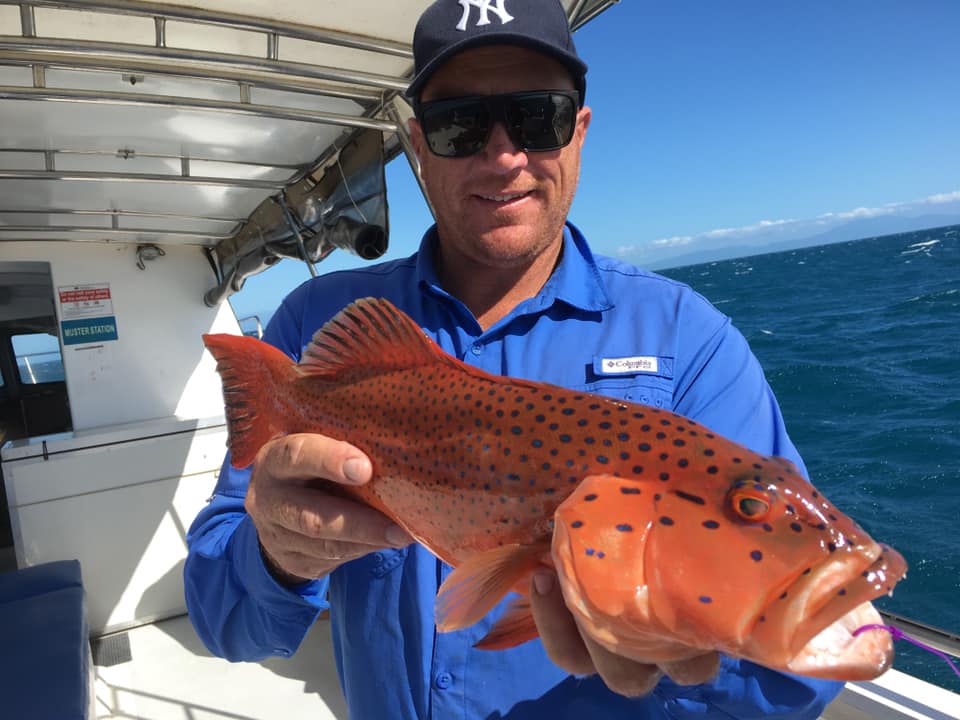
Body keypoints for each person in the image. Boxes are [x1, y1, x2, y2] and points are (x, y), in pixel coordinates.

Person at [185, 0, 843, 717]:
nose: (503, 156)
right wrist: (278, 555)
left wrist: (679, 655)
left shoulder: (691, 341)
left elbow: (798, 674)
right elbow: (226, 625)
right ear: (416, 148)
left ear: (579, 133)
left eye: (538, 118)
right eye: (459, 125)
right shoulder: (313, 324)